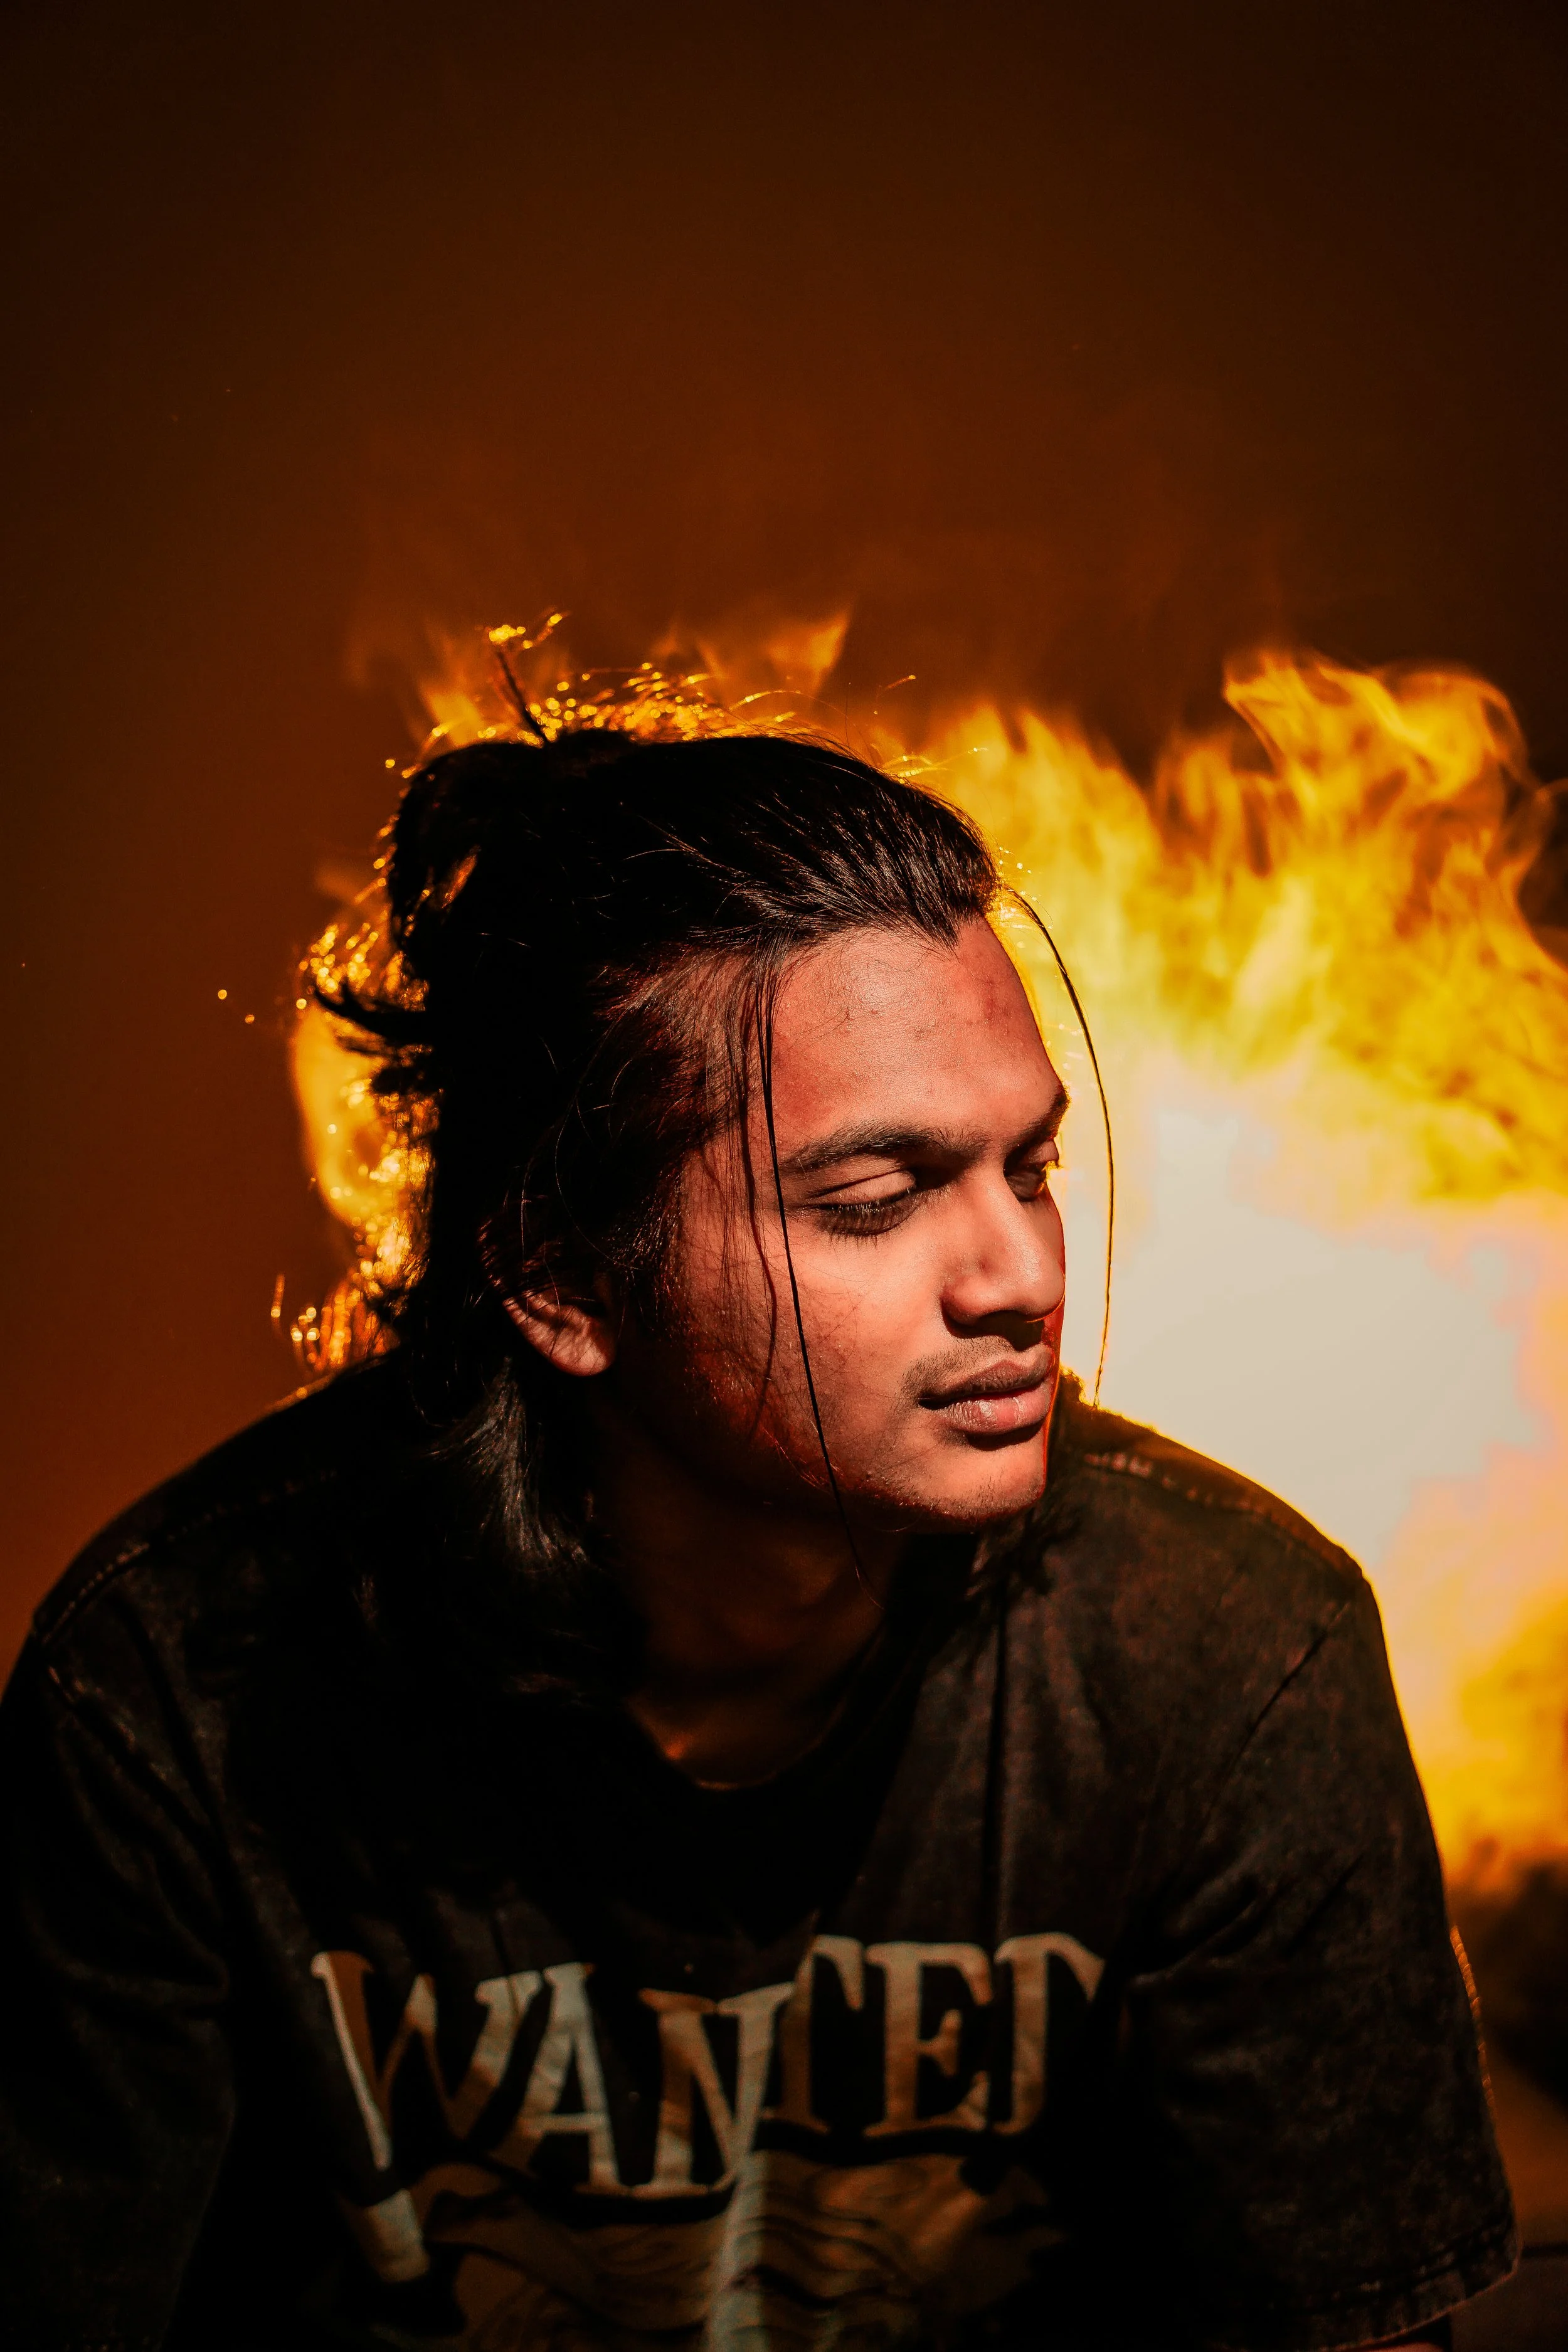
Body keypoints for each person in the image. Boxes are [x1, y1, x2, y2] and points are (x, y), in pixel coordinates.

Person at [0, 723, 1515, 2351]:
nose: (1015, 1274)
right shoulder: (179, 1684)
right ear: (561, 1275)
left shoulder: (1230, 1648)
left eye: (1033, 1164)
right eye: (873, 1197)